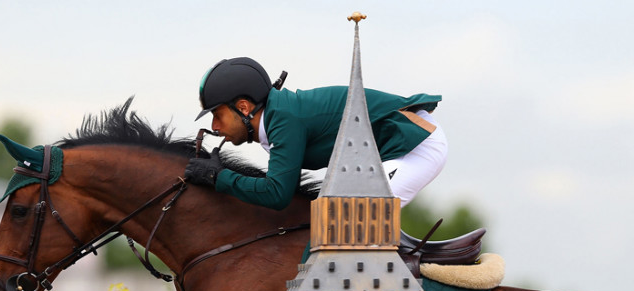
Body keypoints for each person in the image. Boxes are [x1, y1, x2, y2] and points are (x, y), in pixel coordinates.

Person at [185, 57, 447, 209]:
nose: (215, 127)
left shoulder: (284, 119)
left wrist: (217, 177)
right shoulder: (276, 116)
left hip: (416, 146)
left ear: (243, 107)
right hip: (384, 155)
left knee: (353, 225)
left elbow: (277, 194)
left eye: (217, 115)